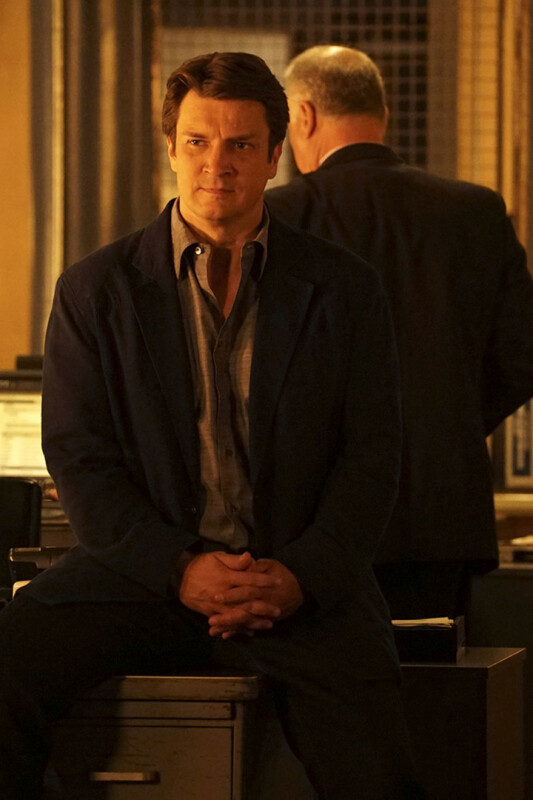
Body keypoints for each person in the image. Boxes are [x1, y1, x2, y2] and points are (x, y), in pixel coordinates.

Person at [0, 52, 424, 799]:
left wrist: (299, 576)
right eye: (197, 141)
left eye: (239, 144)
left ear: (275, 154)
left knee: (380, 768)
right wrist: (180, 568)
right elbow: (80, 457)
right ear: (170, 147)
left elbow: (371, 458)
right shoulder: (95, 290)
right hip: (145, 577)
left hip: (297, 583)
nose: (216, 164)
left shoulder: (345, 288)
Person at [266, 45, 533, 623]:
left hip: (315, 519)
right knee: (440, 673)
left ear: (304, 116)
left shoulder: (278, 218)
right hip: (442, 513)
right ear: (383, 115)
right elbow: (521, 357)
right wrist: (451, 418)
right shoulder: (474, 210)